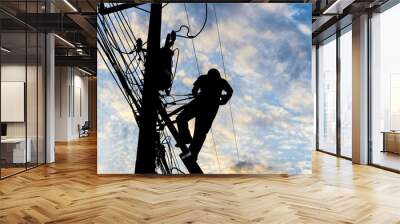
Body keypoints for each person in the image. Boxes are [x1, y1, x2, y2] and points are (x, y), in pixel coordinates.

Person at [177, 68, 233, 161]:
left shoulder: (204, 78)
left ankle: (187, 141)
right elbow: (230, 92)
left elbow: (194, 90)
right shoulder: (221, 81)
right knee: (200, 132)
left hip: (202, 103)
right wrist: (224, 100)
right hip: (209, 106)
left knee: (183, 120)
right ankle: (191, 150)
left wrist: (196, 95)